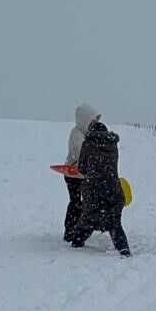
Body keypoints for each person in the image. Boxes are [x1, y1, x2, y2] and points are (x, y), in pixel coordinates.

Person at [70, 117, 131, 256]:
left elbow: (83, 169)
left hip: (93, 190)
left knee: (87, 220)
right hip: (113, 189)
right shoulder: (113, 145)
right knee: (114, 223)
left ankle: (76, 245)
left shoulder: (88, 144)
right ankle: (124, 250)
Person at [63, 104, 100, 243]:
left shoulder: (87, 134)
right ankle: (70, 230)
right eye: (92, 120)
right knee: (76, 203)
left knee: (84, 203)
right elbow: (82, 151)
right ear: (84, 119)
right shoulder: (77, 134)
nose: (94, 123)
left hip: (83, 175)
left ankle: (79, 228)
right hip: (73, 175)